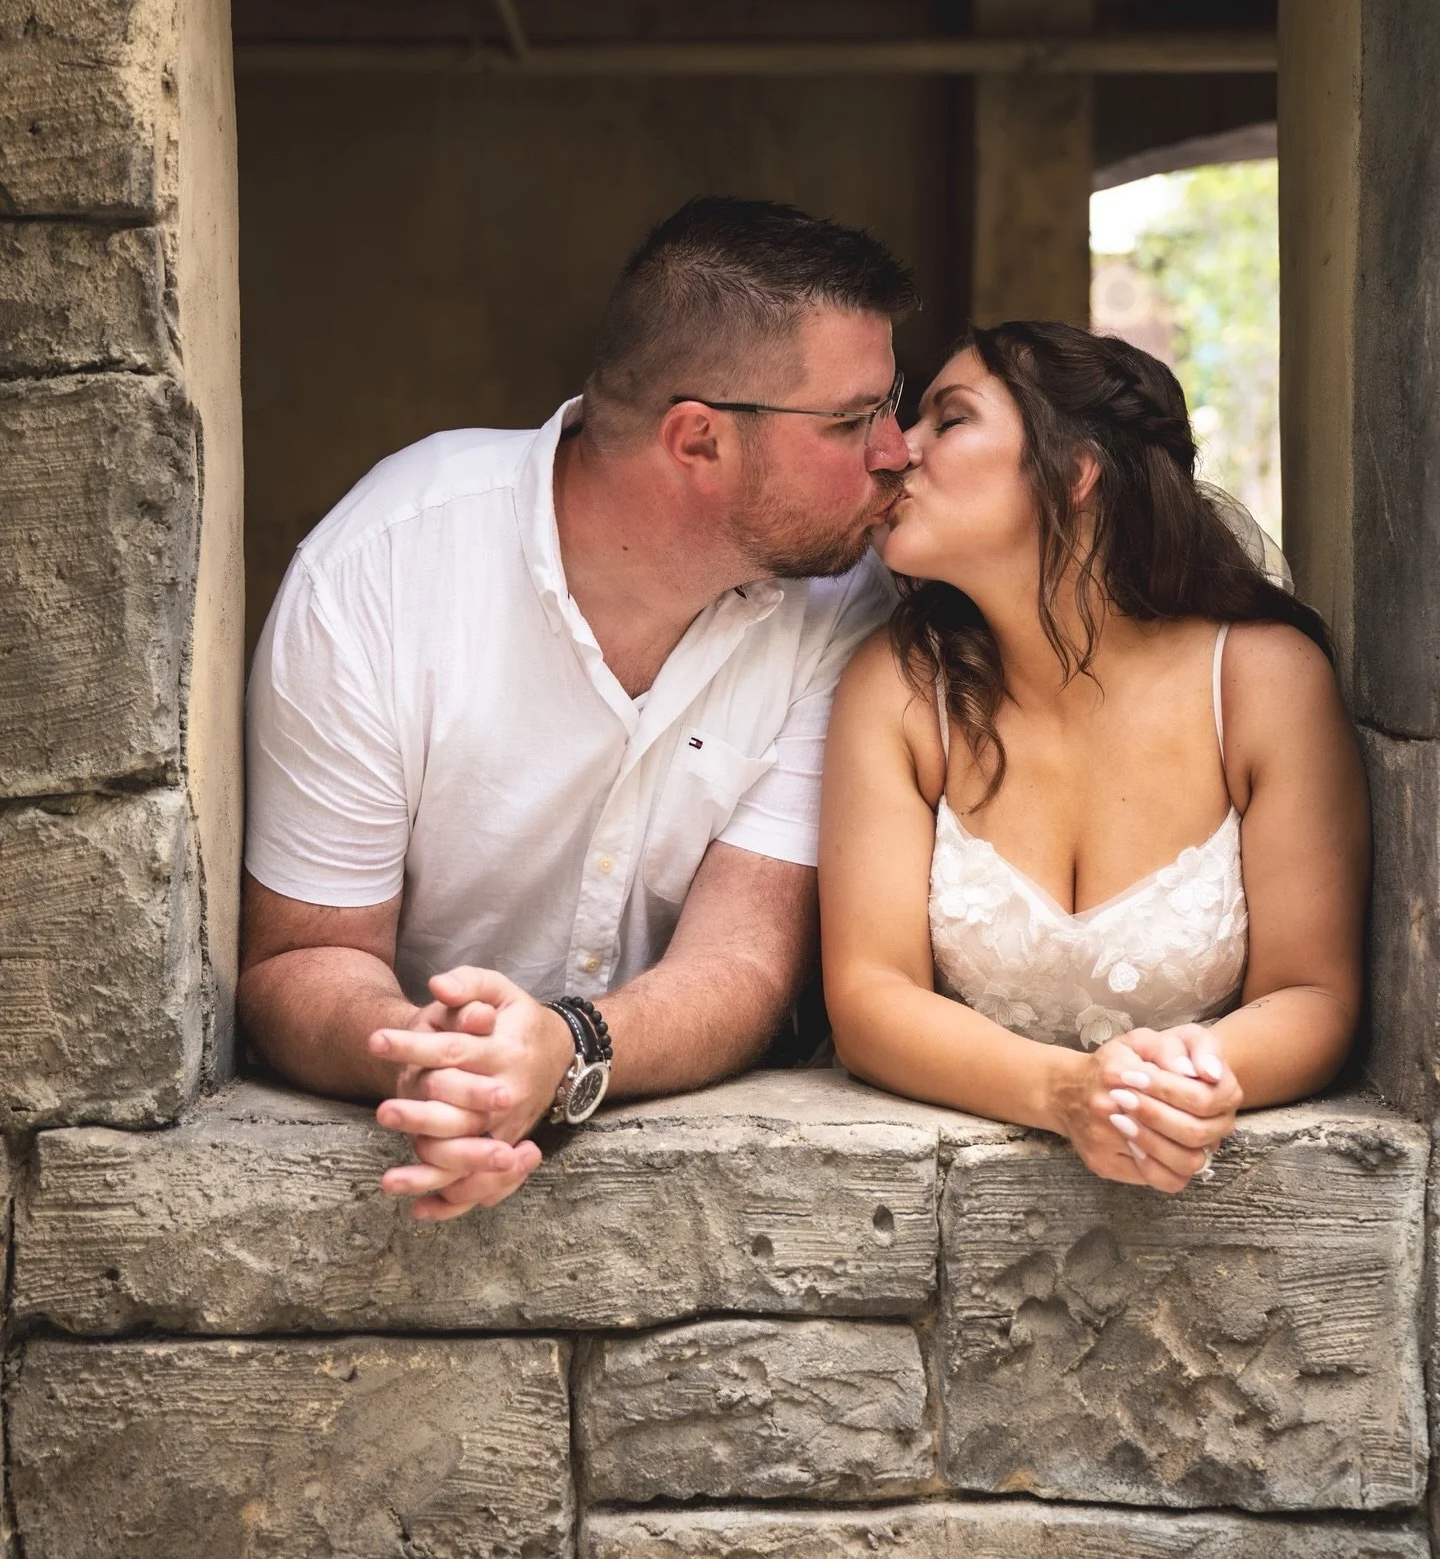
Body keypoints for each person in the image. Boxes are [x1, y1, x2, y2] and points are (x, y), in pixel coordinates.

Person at [239, 197, 917, 1219]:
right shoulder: (380, 567)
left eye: (892, 405)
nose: (896, 450)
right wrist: (433, 1074)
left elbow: (743, 960)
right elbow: (300, 954)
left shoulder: (845, 606)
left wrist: (566, 1050)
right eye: (854, 419)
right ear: (699, 441)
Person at [820, 320, 1367, 1193]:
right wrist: (1068, 1092)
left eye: (947, 419)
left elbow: (1314, 994)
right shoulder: (898, 689)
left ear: (1077, 473)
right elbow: (868, 996)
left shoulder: (1265, 684)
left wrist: (1183, 1081)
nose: (895, 452)